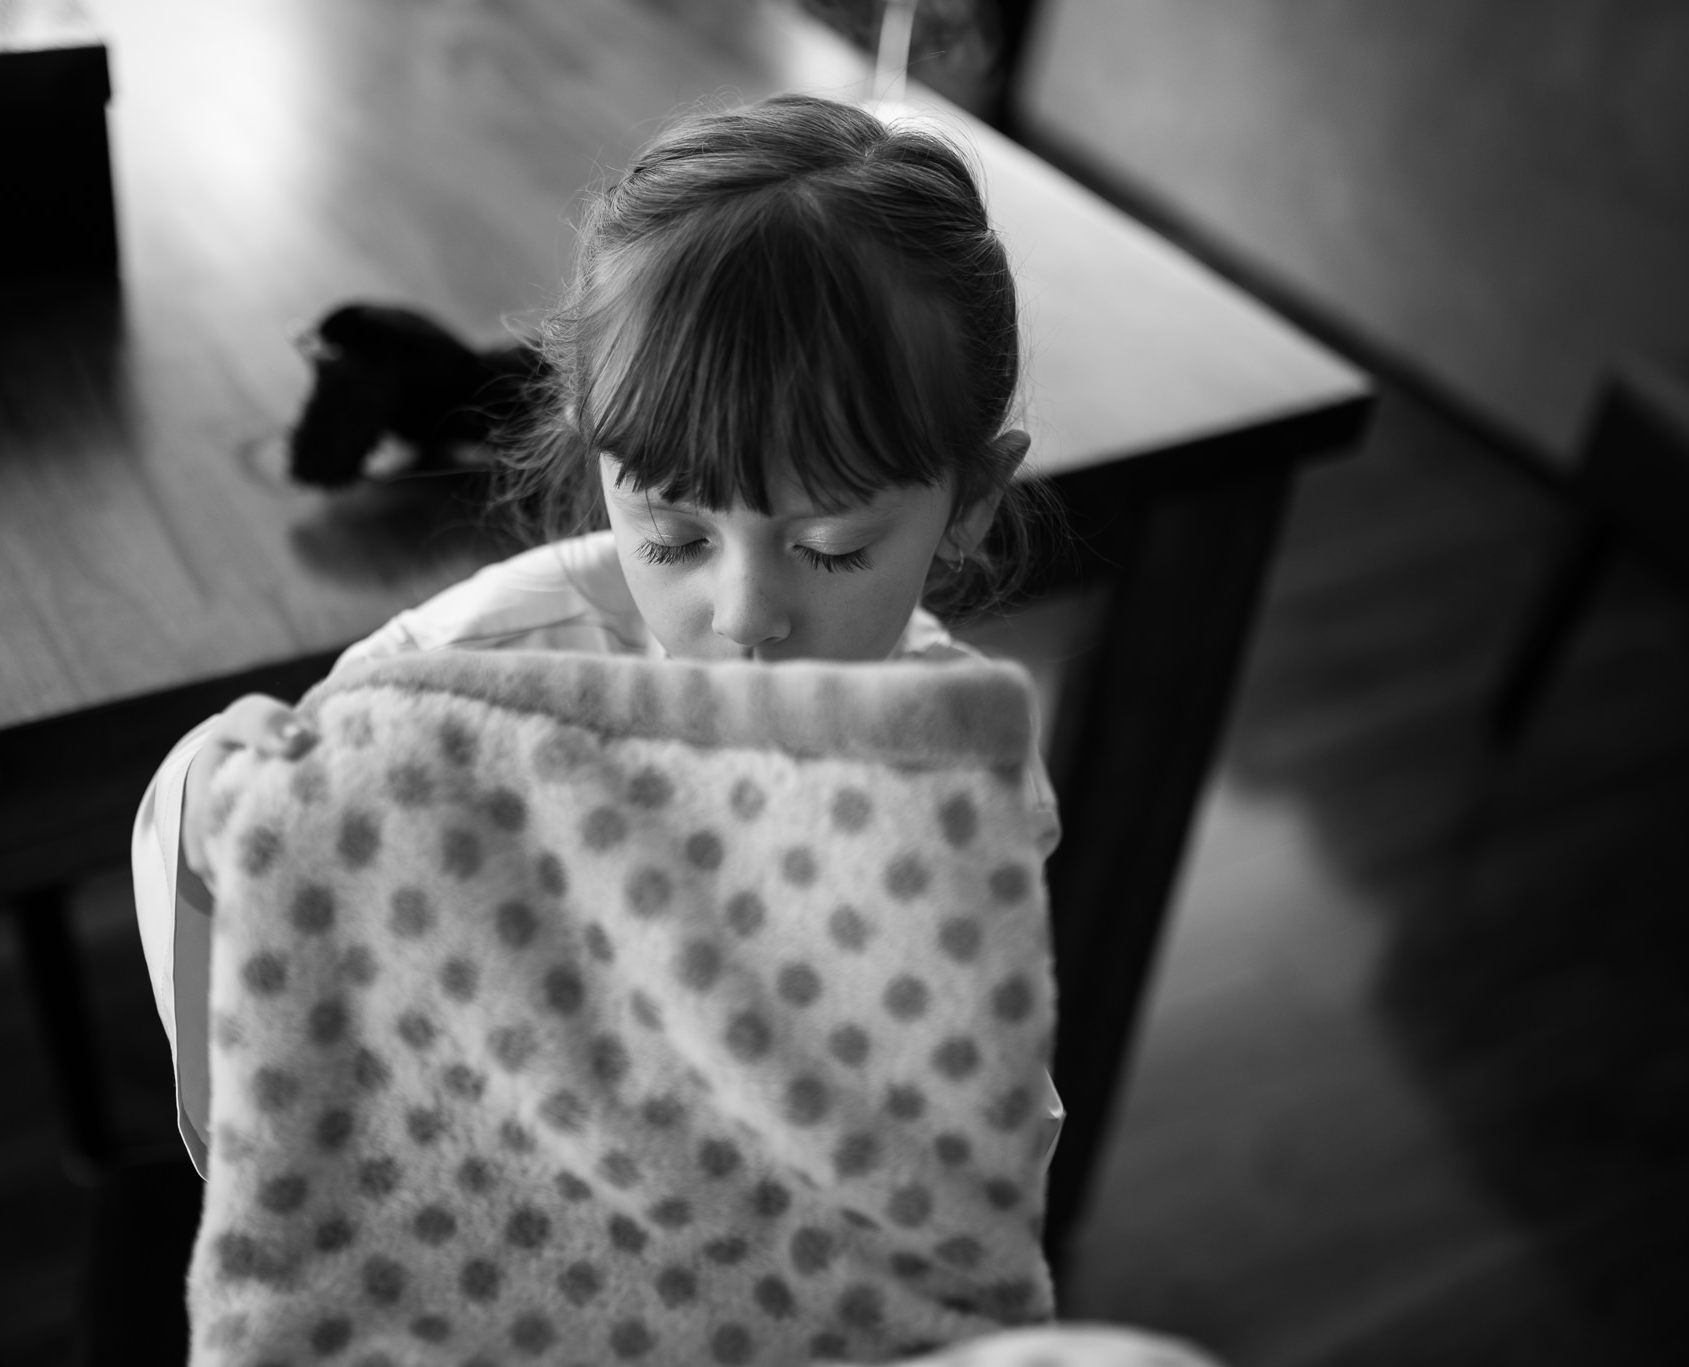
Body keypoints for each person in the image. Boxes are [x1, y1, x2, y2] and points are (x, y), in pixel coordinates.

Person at [131, 91, 1064, 1177]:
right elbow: (281, 1036)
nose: (744, 614)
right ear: (597, 457)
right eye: (672, 536)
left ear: (973, 501)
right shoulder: (464, 680)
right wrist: (214, 815)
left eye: (831, 545)